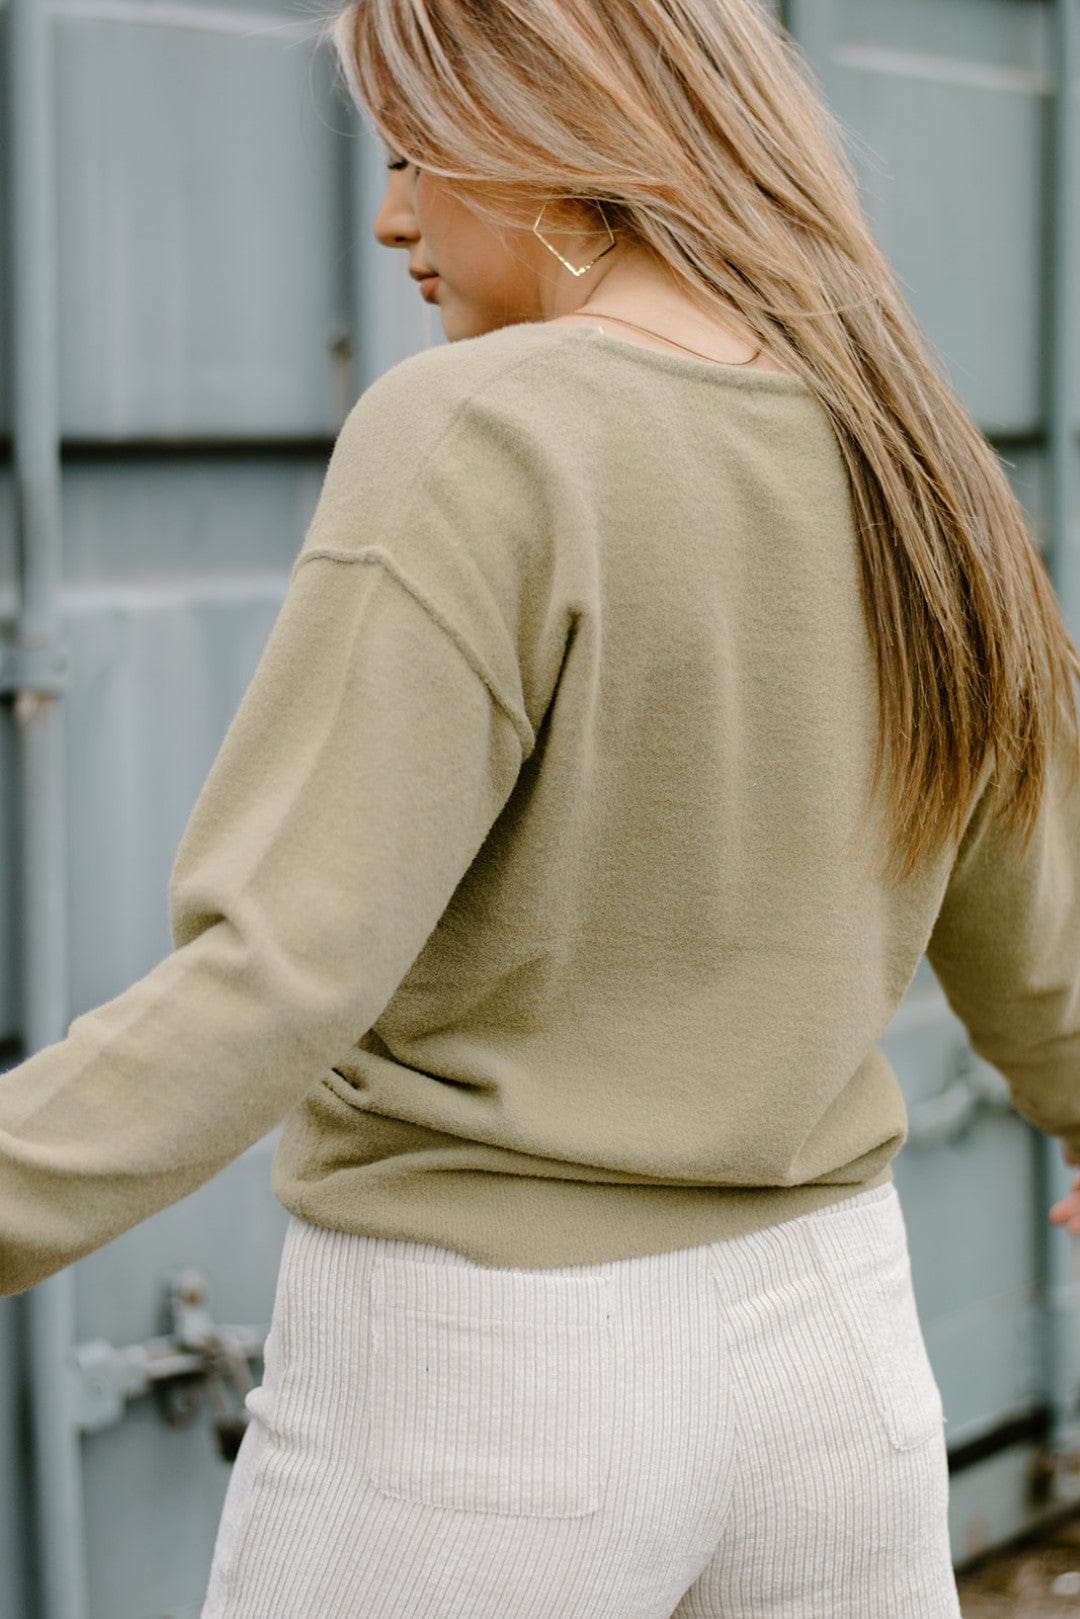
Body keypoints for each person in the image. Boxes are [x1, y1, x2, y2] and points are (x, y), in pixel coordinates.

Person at [3, 0, 1080, 1613]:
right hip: (839, 1362)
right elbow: (1028, 922)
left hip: (487, 1388)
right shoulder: (913, 447)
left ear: (551, 136)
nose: (390, 221)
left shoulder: (484, 429)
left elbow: (279, 973)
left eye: (412, 154)